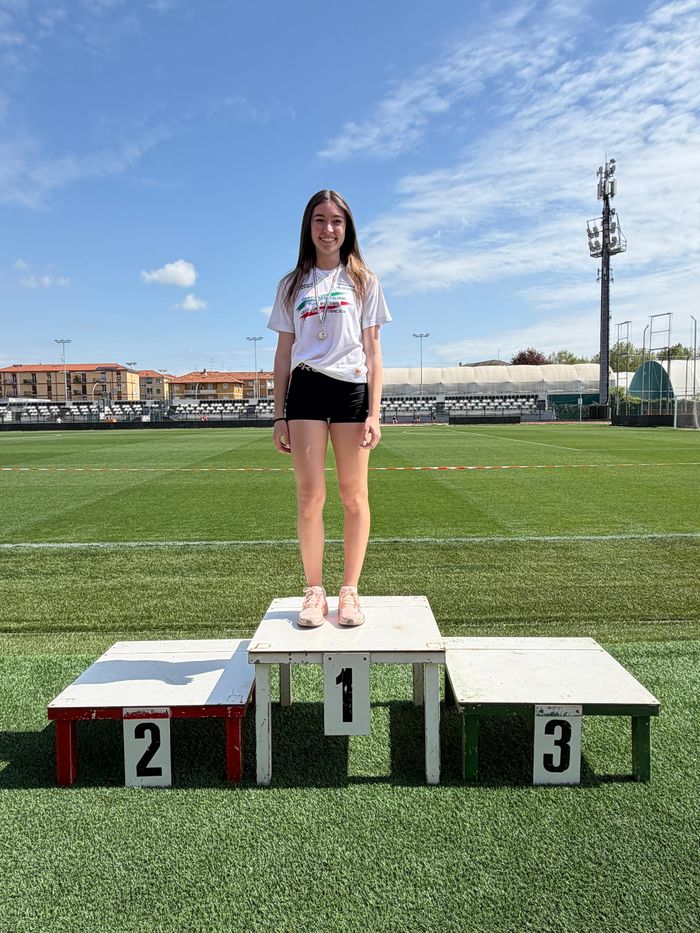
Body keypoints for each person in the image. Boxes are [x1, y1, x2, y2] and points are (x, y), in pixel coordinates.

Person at [268, 190, 391, 627]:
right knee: (309, 496)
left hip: (351, 391)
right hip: (304, 391)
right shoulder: (291, 284)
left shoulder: (364, 280)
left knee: (353, 496)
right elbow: (283, 354)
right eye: (319, 220)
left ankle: (350, 591)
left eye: (336, 220)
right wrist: (279, 413)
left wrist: (374, 412)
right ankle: (314, 591)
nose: (328, 229)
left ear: (347, 227)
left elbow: (373, 351)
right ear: (308, 226)